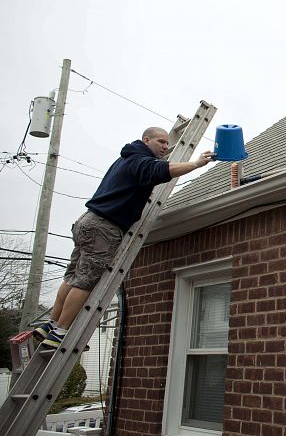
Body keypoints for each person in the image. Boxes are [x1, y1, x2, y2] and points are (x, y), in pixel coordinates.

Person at [32, 127, 215, 348]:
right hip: (104, 226)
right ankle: (61, 331)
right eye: (161, 142)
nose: (166, 147)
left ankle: (50, 324)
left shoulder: (127, 157)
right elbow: (163, 170)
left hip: (88, 221)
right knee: (86, 280)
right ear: (146, 140)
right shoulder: (138, 160)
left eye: (168, 143)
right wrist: (196, 164)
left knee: (72, 277)